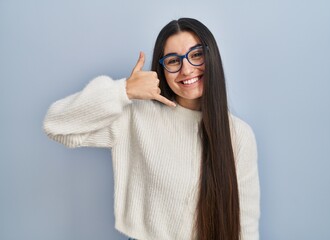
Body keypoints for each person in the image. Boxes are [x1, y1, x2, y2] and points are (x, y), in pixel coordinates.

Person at [43, 18, 260, 240]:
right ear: (162, 69)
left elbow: (245, 225)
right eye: (174, 61)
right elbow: (55, 125)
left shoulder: (239, 135)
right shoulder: (136, 116)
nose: (187, 69)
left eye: (196, 55)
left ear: (211, 55)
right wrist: (123, 91)